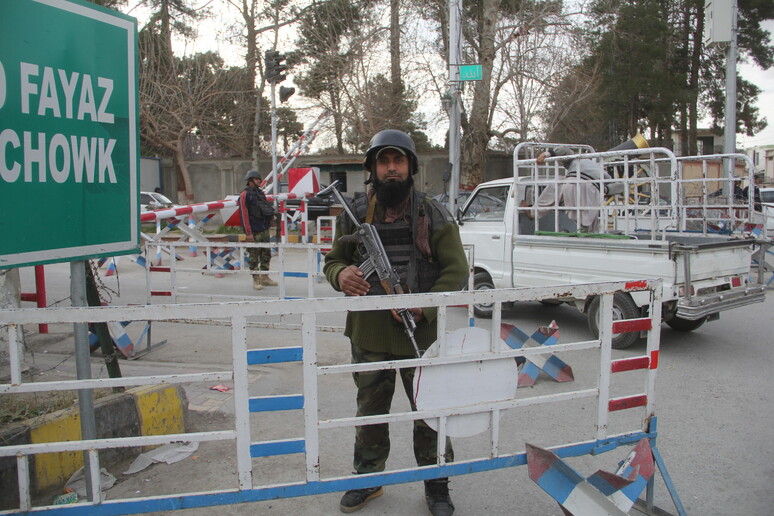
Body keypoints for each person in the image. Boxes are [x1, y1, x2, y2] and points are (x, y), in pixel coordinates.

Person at [323, 130, 468, 516]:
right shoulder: (354, 211)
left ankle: (437, 484)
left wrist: (424, 307)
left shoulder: (431, 213)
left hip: (420, 332)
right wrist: (341, 275)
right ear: (372, 168)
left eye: (398, 161)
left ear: (410, 167)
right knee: (370, 411)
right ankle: (367, 479)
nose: (391, 168)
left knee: (430, 412)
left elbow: (456, 270)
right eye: (383, 161)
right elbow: (332, 260)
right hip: (368, 334)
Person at [528, 147, 611, 233]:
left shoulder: (576, 159)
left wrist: (545, 154)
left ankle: (533, 212)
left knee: (557, 184)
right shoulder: (595, 167)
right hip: (594, 191)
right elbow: (610, 183)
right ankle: (589, 233)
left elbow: (564, 150)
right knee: (588, 218)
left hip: (574, 184)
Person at [239, 169, 278, 290]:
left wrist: (271, 220)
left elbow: (265, 208)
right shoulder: (245, 195)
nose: (259, 181)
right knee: (254, 256)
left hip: (264, 228)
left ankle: (264, 277)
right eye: (256, 179)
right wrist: (248, 233)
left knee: (266, 254)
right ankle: (256, 279)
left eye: (259, 179)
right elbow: (244, 214)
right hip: (254, 231)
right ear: (250, 181)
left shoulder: (260, 193)